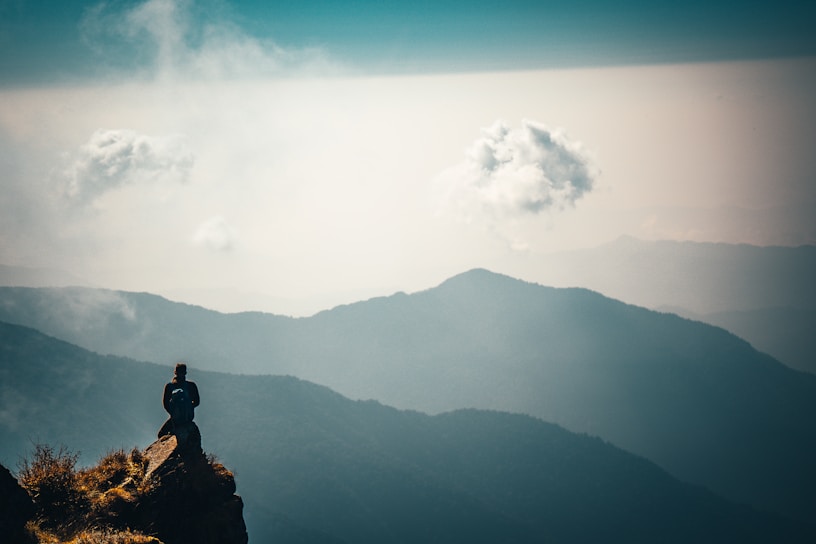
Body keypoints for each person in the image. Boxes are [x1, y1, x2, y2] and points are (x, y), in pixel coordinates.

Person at [158, 362, 200, 438]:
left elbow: (165, 403)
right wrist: (189, 408)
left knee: (161, 434)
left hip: (175, 419)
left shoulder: (169, 386)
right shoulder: (191, 386)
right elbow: (197, 402)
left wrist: (173, 413)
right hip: (188, 418)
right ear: (185, 373)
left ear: (175, 372)